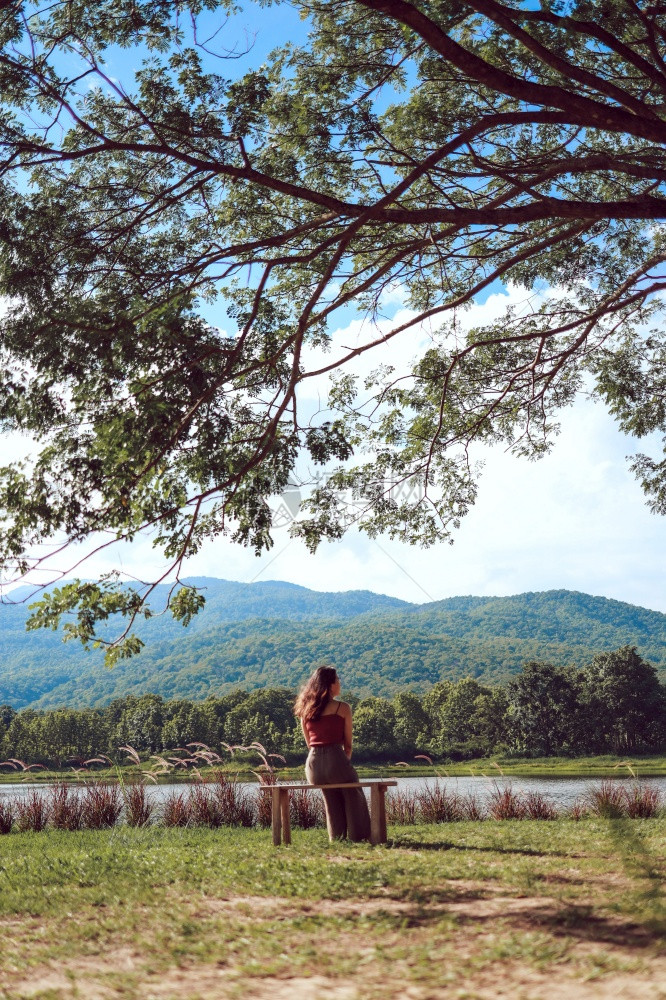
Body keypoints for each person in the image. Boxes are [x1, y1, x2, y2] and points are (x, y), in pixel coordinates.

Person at [293, 665, 371, 842]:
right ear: (330, 685)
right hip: (335, 757)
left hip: (313, 766)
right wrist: (343, 762)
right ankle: (360, 838)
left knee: (330, 796)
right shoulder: (342, 708)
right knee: (353, 793)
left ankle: (336, 838)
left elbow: (309, 743)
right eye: (338, 680)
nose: (340, 684)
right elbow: (348, 745)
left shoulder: (305, 710)